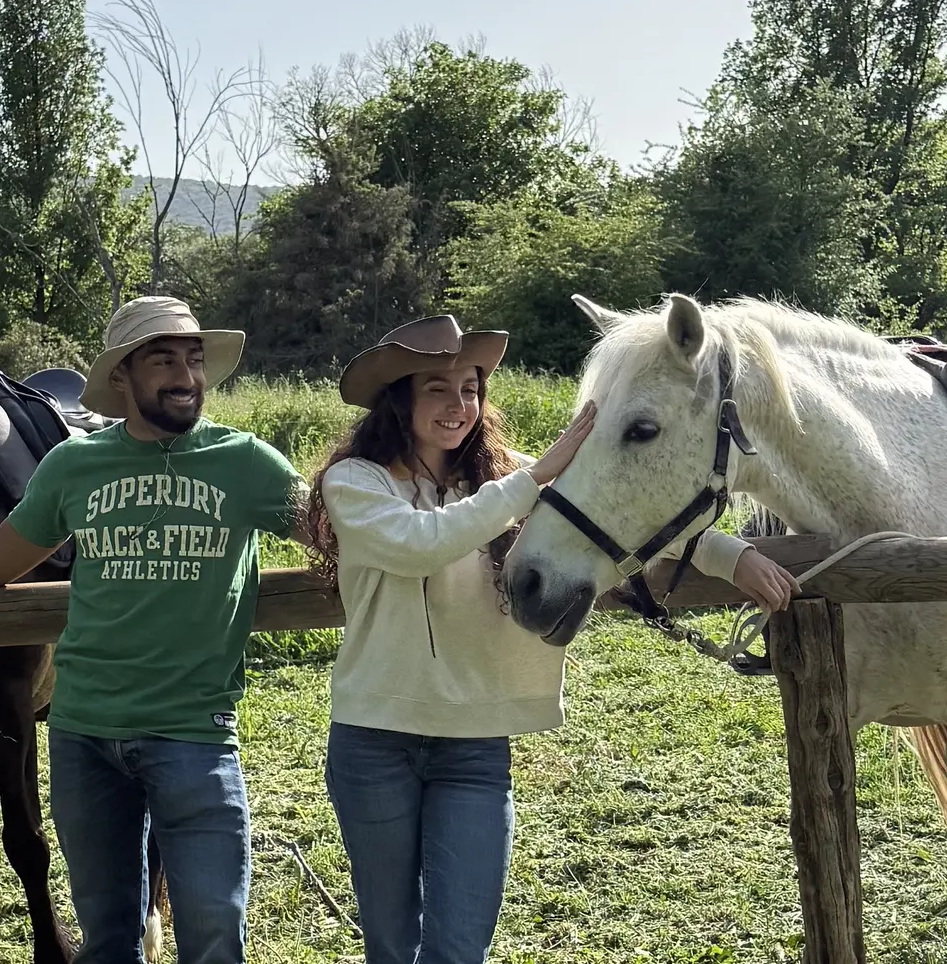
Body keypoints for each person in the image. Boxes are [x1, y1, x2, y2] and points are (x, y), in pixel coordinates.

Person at [0, 296, 306, 964]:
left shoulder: (247, 463)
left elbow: (338, 528)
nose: (186, 375)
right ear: (123, 378)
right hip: (84, 738)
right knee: (105, 940)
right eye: (164, 359)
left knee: (214, 936)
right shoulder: (74, 466)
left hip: (193, 734)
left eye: (193, 359)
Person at [303, 315, 797, 964]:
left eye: (470, 390)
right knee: (392, 947)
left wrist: (732, 557)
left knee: (457, 949)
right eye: (436, 390)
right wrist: (535, 479)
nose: (459, 407)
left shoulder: (507, 480)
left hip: (474, 745)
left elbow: (623, 510)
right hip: (375, 740)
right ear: (399, 399)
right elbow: (418, 546)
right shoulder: (357, 483)